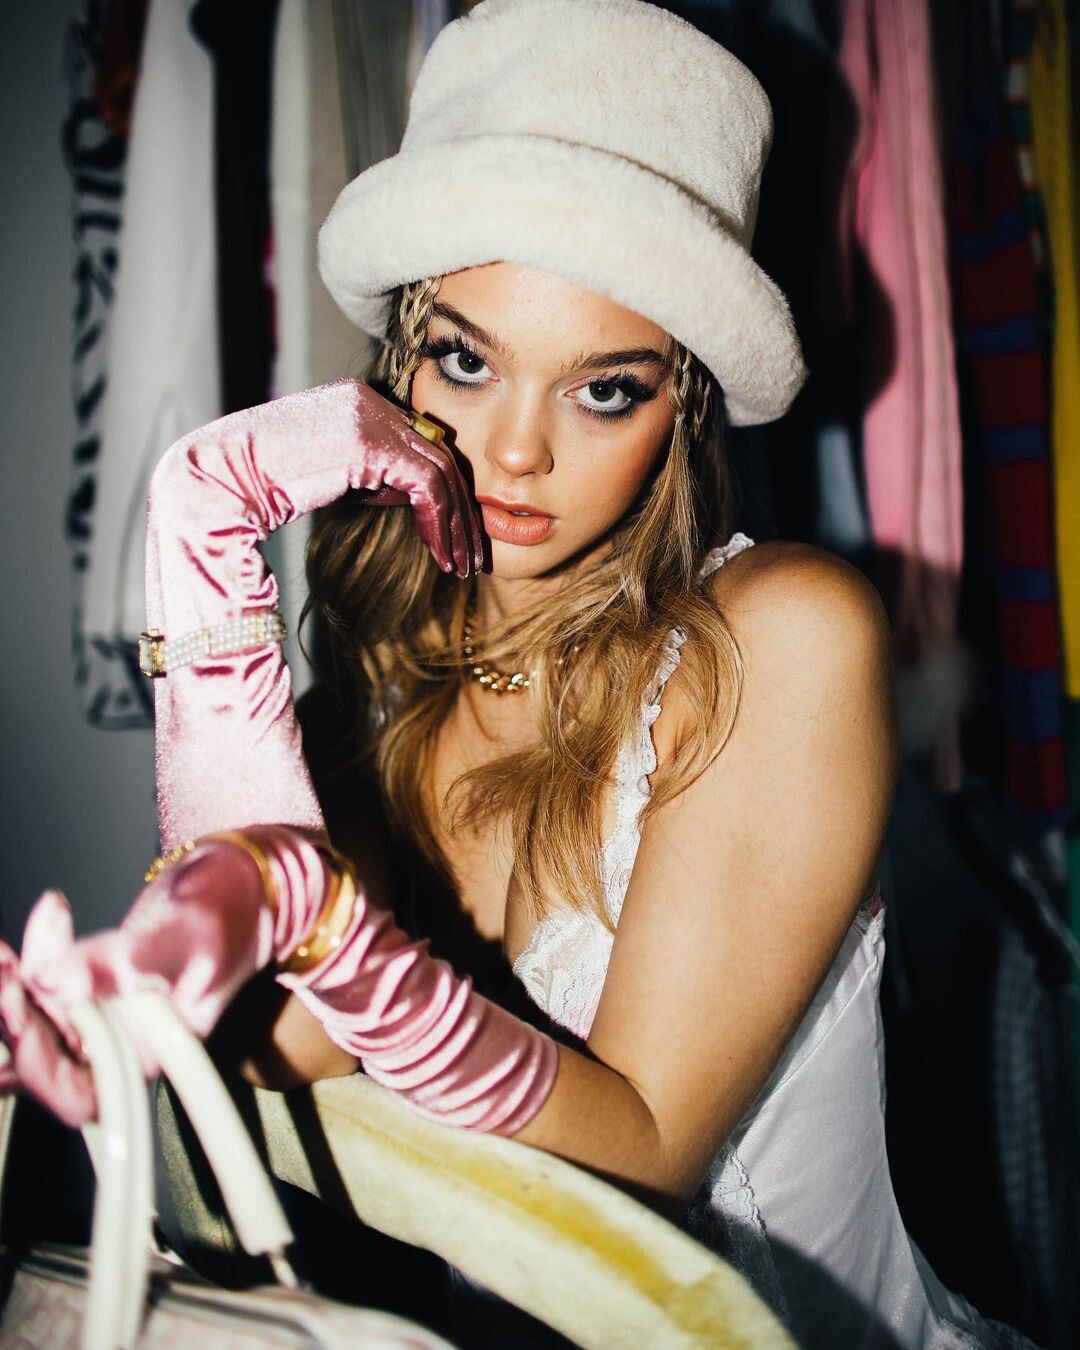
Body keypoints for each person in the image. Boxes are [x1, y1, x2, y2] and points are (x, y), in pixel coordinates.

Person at [0, 2, 1038, 1347]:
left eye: (605, 388)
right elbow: (290, 1036)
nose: (517, 453)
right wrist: (131, 1012)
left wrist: (332, 935)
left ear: (686, 403)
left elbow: (641, 1154)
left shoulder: (780, 638)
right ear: (401, 359)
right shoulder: (384, 699)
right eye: (467, 359)